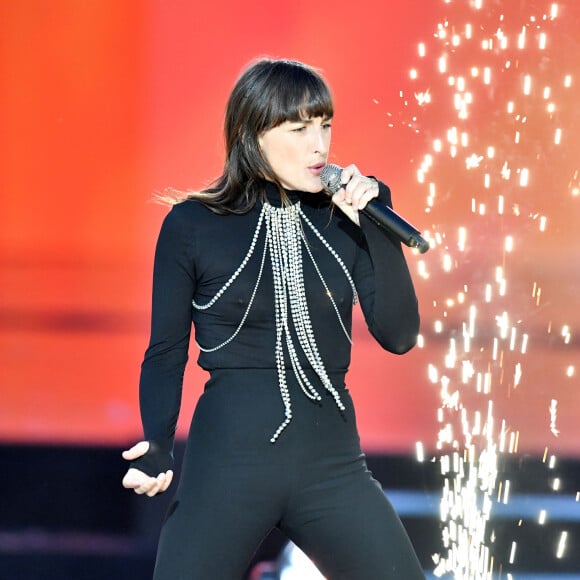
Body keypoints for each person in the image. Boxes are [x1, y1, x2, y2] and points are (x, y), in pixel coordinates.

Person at [122, 57, 424, 579]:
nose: (319, 145)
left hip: (333, 470)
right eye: (300, 128)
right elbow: (166, 351)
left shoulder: (346, 219)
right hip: (227, 467)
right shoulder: (193, 224)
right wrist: (158, 445)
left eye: (325, 125)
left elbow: (399, 336)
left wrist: (378, 225)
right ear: (253, 133)